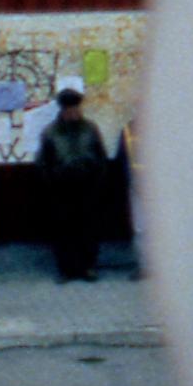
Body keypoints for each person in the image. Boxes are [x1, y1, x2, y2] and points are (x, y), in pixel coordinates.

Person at [34, 84, 114, 282]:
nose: (74, 112)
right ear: (62, 110)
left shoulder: (90, 128)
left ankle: (88, 267)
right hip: (62, 188)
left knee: (89, 228)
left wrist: (97, 178)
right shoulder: (51, 132)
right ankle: (66, 269)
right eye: (70, 109)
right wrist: (52, 182)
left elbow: (101, 156)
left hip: (88, 186)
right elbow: (42, 161)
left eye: (76, 108)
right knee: (64, 230)